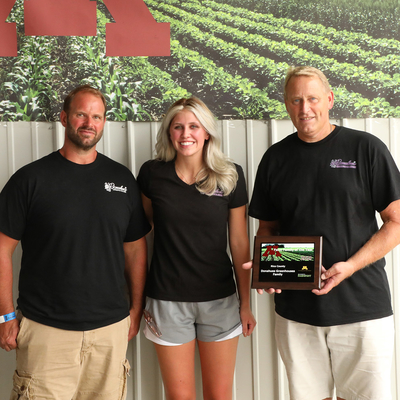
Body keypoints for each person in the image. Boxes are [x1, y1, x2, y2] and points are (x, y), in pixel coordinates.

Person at [246, 66, 400, 400]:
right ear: (286, 105)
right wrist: (268, 268)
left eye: (313, 98)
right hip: (297, 313)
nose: (305, 109)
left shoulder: (366, 149)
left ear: (329, 100)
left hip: (362, 308)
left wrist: (350, 266)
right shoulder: (275, 159)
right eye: (296, 100)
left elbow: (396, 221)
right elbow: (268, 230)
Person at [0, 85, 151, 400]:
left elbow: (135, 249)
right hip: (46, 332)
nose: (89, 122)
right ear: (64, 118)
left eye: (97, 116)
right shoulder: (30, 180)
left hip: (110, 332)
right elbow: (2, 249)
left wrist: (136, 308)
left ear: (104, 122)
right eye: (81, 114)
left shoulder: (122, 180)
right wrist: (5, 315)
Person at [137, 97, 256, 400]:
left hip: (220, 300)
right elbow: (141, 232)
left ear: (207, 132)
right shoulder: (152, 175)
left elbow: (239, 242)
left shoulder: (230, 175)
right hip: (167, 302)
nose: (185, 133)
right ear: (169, 133)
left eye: (193, 126)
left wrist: (245, 303)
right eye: (177, 127)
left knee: (219, 396)